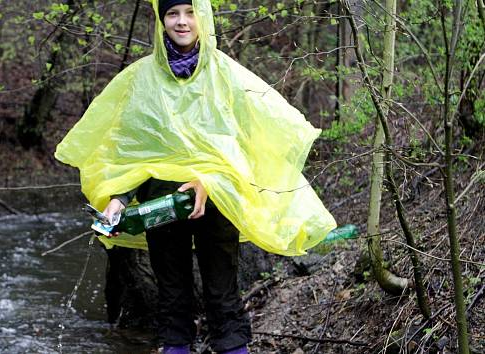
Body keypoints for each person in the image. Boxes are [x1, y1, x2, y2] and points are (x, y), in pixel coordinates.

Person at [55, 0, 337, 352]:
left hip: (219, 202)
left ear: (203, 17)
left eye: (190, 12)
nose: (182, 22)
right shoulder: (140, 79)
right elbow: (129, 150)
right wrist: (118, 199)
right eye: (173, 14)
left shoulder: (227, 75)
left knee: (223, 296)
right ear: (161, 22)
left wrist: (209, 180)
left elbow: (248, 145)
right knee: (172, 298)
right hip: (160, 204)